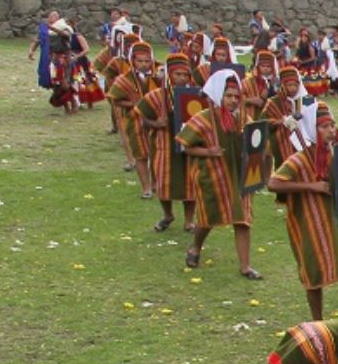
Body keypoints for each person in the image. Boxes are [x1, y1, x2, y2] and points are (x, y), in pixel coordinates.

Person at [268, 103, 338, 321]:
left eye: (333, 125)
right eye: (324, 126)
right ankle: (317, 321)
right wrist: (311, 186)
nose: (331, 130)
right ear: (312, 130)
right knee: (315, 273)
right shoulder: (299, 159)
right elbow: (273, 183)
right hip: (314, 223)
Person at [176, 67, 261, 279]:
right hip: (212, 177)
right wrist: (207, 151)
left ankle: (245, 266)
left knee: (243, 220)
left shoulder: (244, 119)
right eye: (228, 96)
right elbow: (185, 145)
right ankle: (195, 248)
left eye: (236, 96)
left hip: (239, 178)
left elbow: (255, 144)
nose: (233, 100)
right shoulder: (204, 119)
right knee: (208, 219)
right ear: (218, 96)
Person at [135, 51, 198, 233]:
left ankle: (189, 220)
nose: (181, 78)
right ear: (170, 74)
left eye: (185, 74)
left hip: (188, 147)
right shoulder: (156, 96)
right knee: (163, 182)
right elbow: (142, 118)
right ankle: (168, 214)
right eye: (178, 74)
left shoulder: (196, 96)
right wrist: (156, 123)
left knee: (190, 182)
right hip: (164, 146)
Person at [104, 38, 157, 195]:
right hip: (135, 122)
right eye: (140, 61)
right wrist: (135, 104)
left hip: (156, 122)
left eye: (147, 61)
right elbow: (115, 99)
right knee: (141, 155)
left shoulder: (159, 77)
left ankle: (155, 183)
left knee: (156, 154)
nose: (144, 64)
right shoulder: (124, 79)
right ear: (133, 60)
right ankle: (146, 188)